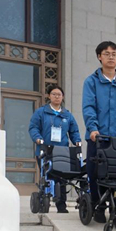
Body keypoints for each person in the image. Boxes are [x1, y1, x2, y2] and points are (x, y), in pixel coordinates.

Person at [82, 41, 116, 229]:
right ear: (99, 57)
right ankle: (99, 207)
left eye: (114, 54)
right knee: (95, 174)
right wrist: (92, 128)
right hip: (98, 138)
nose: (111, 57)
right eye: (106, 53)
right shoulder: (91, 82)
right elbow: (88, 107)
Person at [28, 85, 82, 213]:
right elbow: (33, 127)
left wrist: (77, 141)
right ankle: (44, 199)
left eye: (59, 94)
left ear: (62, 97)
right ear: (49, 96)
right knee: (47, 175)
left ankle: (61, 205)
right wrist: (37, 138)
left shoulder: (67, 115)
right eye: (54, 94)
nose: (57, 96)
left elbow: (74, 131)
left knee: (61, 179)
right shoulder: (41, 112)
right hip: (45, 150)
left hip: (62, 151)